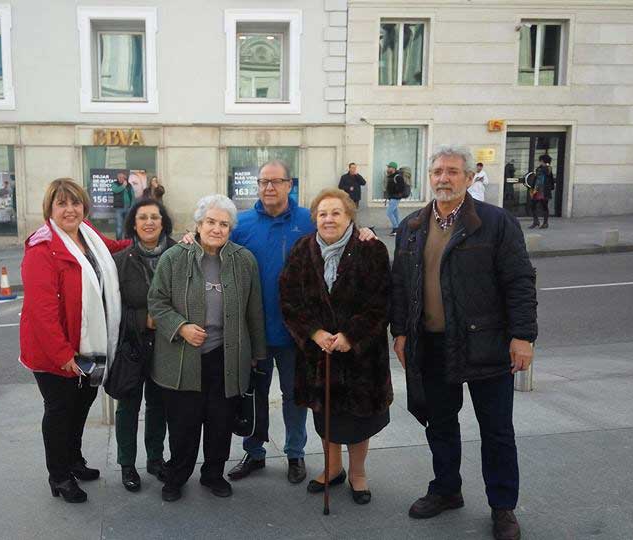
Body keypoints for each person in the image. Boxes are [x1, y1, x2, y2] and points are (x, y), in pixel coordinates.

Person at [391, 145, 537, 540]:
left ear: (470, 178)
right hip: (433, 345)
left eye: (453, 171)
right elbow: (401, 287)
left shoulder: (495, 222)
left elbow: (519, 281)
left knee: (496, 430)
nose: (444, 178)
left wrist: (522, 336)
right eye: (438, 171)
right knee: (439, 424)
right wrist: (401, 332)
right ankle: (446, 489)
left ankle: (503, 507)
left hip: (487, 343)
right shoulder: (412, 226)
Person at [216, 160, 377, 486]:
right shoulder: (242, 223)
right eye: (263, 182)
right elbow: (212, 241)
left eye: (276, 181)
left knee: (296, 397)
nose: (269, 188)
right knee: (254, 396)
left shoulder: (309, 219)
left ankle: (295, 453)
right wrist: (191, 235)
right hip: (254, 331)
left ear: (291, 184)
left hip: (299, 333)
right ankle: (254, 450)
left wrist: (362, 233)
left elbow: (340, 235)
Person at [148, 194, 267, 502]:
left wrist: (257, 355)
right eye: (211, 222)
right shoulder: (174, 258)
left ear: (231, 229)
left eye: (224, 224)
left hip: (225, 358)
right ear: (198, 224)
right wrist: (181, 327)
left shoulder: (244, 261)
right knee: (183, 426)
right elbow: (157, 302)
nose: (217, 229)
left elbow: (254, 311)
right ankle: (176, 477)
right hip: (182, 359)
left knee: (220, 423)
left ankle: (213, 474)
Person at [19, 178, 131, 504]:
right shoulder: (42, 249)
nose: (70, 210)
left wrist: (152, 240)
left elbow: (115, 249)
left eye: (75, 203)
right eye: (62, 204)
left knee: (81, 407)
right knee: (59, 411)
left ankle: (74, 460)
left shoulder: (89, 235)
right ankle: (59, 476)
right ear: (50, 210)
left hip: (91, 344)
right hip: (56, 353)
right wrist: (62, 354)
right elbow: (42, 312)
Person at [279, 188, 393, 505]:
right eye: (323, 213)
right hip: (319, 354)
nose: (328, 219)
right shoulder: (303, 251)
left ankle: (358, 473)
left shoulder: (371, 249)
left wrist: (350, 336)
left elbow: (380, 302)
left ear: (349, 216)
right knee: (325, 416)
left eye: (336, 213)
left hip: (360, 356)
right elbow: (289, 300)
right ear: (315, 218)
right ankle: (332, 468)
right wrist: (313, 333)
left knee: (359, 420)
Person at [113, 198, 176, 492]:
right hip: (132, 346)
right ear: (133, 224)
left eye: (155, 216)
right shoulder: (121, 262)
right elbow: (113, 310)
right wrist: (143, 320)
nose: (149, 222)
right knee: (128, 406)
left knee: (159, 405)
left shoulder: (180, 255)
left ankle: (155, 458)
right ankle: (127, 464)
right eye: (143, 218)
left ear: (163, 221)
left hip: (167, 345)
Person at [529, 156, 554, 229]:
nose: (539, 162)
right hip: (537, 190)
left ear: (543, 161)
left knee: (544, 206)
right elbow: (536, 179)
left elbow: (550, 179)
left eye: (540, 160)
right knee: (533, 205)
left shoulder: (548, 168)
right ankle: (536, 221)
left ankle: (545, 223)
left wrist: (550, 188)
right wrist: (532, 187)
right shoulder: (539, 168)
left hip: (544, 191)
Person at [384, 161, 405, 236]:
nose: (388, 168)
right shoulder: (391, 176)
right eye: (388, 167)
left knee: (389, 213)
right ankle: (399, 229)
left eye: (389, 167)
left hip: (395, 197)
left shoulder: (398, 177)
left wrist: (394, 191)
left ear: (393, 168)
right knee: (395, 213)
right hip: (392, 197)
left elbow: (401, 188)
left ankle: (396, 228)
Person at [112, 172, 135, 239]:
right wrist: (123, 186)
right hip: (119, 208)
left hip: (128, 207)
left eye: (123, 177)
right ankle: (119, 241)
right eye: (119, 177)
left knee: (127, 224)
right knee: (119, 225)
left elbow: (133, 195)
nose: (121, 179)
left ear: (125, 178)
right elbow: (115, 190)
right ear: (117, 178)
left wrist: (132, 205)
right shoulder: (114, 184)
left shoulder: (129, 185)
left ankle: (126, 240)